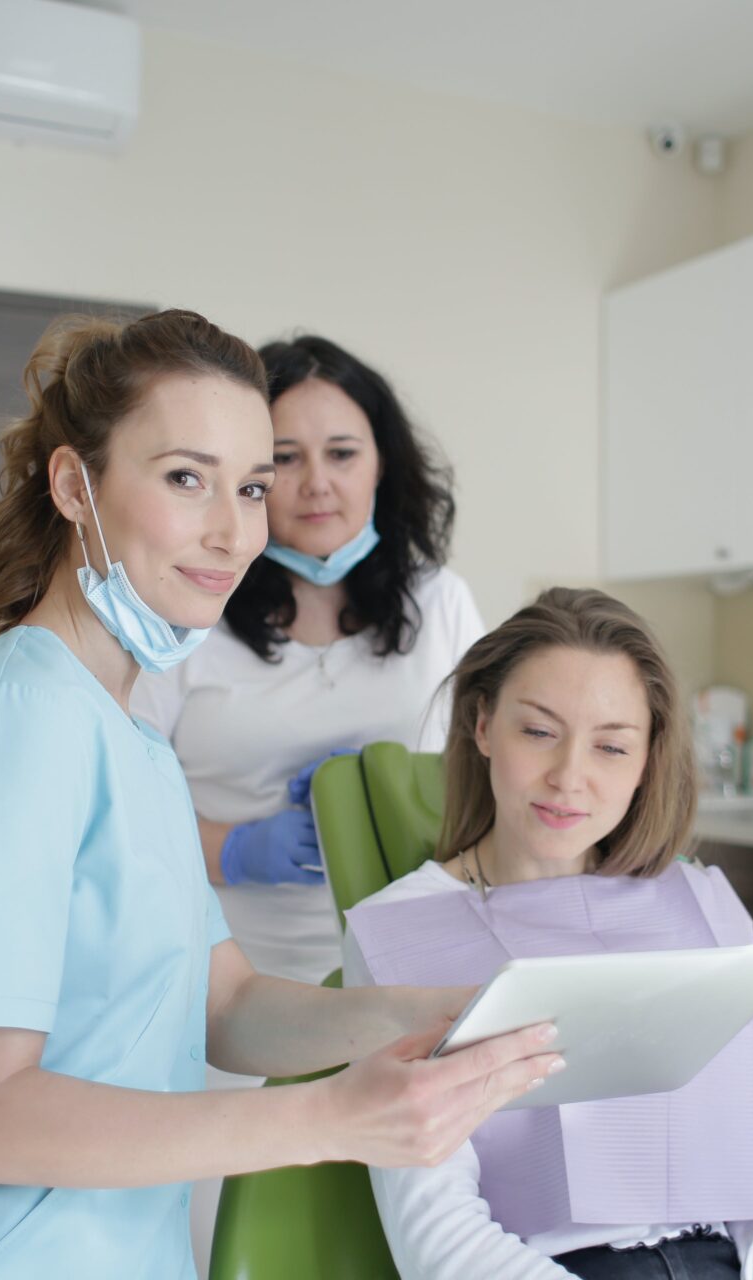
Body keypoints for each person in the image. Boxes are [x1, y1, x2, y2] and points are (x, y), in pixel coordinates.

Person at [0, 309, 560, 1279]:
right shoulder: (10, 725)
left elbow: (222, 1001)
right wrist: (326, 1117)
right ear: (73, 483)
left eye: (251, 485)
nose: (235, 530)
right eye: (187, 477)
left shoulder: (128, 729)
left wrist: (442, 1016)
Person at [343, 588, 753, 1280]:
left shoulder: (696, 902)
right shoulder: (399, 932)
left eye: (612, 746)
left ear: (647, 760)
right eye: (537, 732)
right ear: (482, 725)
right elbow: (436, 1235)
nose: (570, 779)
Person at [132, 334, 484, 986]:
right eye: (285, 458)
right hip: (222, 976)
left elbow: (491, 779)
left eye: (343, 454)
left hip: (407, 970)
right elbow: (120, 810)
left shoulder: (443, 605)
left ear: (382, 464)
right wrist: (234, 850)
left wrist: (400, 787)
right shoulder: (185, 612)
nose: (317, 484)